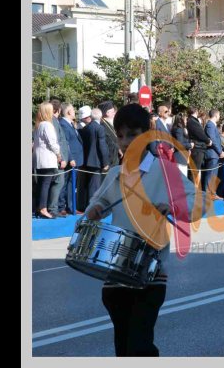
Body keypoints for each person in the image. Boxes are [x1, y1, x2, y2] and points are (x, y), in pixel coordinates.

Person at [85, 104, 202, 356]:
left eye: (133, 134)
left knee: (140, 345)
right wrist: (95, 210)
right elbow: (96, 204)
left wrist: (173, 207)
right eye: (121, 135)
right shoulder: (115, 174)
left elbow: (197, 203)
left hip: (151, 273)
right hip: (116, 273)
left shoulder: (165, 170)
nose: (126, 141)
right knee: (123, 345)